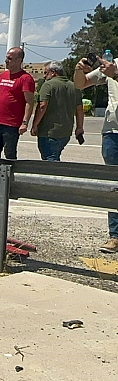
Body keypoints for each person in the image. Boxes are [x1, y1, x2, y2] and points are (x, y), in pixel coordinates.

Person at [74, 52, 118, 253]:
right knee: (113, 185)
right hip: (112, 132)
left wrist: (115, 75)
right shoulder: (111, 65)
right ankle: (115, 236)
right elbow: (80, 84)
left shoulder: (113, 69)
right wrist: (78, 70)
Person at [0, 47, 35, 159]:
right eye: (6, 58)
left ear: (19, 60)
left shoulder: (25, 78)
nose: (6, 61)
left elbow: (29, 102)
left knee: (9, 154)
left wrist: (25, 123)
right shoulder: (3, 75)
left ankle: (9, 175)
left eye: (9, 58)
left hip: (11, 125)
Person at [30, 60, 84, 161]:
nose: (44, 76)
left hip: (49, 132)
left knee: (50, 161)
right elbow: (79, 109)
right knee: (55, 156)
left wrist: (35, 125)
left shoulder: (48, 85)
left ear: (53, 72)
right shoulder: (75, 86)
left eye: (46, 72)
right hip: (66, 133)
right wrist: (79, 127)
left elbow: (42, 105)